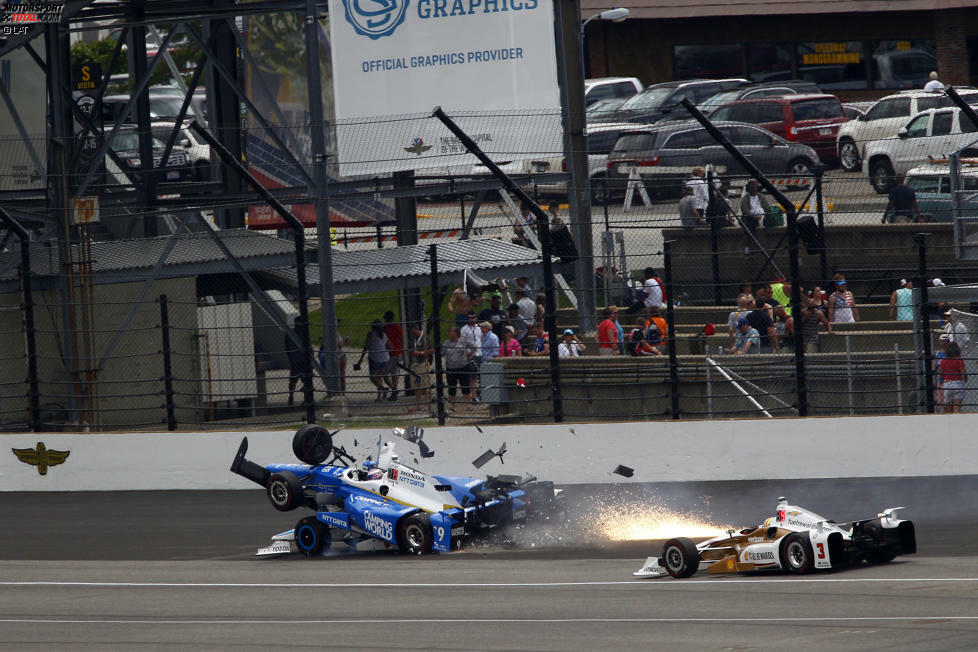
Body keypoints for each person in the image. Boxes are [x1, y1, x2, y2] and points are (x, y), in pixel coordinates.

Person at [354, 319, 393, 402]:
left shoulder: (371, 334)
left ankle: (383, 389)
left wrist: (360, 360)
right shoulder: (384, 335)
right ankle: (379, 396)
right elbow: (390, 347)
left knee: (372, 377)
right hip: (385, 358)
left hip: (374, 358)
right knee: (379, 377)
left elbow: (366, 346)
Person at [442, 326, 472, 409]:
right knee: (452, 387)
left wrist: (469, 353)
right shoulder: (446, 343)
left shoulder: (463, 342)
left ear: (456, 333)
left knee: (465, 385)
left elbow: (474, 347)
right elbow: (442, 352)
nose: (450, 334)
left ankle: (468, 404)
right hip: (451, 368)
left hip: (462, 366)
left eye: (452, 332)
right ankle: (452, 405)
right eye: (450, 332)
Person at [739, 180, 769, 256]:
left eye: (755, 188)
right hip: (751, 218)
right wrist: (754, 217)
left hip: (762, 216)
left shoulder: (761, 196)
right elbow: (745, 211)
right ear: (749, 189)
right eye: (752, 189)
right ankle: (748, 250)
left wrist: (763, 214)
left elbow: (766, 207)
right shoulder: (746, 198)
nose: (754, 190)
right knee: (748, 230)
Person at [940, 341, 967, 413]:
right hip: (957, 382)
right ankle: (956, 419)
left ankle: (949, 421)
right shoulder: (958, 359)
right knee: (956, 406)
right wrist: (965, 379)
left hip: (947, 383)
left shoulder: (943, 360)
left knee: (948, 406)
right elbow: (963, 372)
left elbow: (941, 374)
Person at [382, 310, 404, 401]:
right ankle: (394, 390)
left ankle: (394, 390)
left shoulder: (385, 329)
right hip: (397, 352)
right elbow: (402, 338)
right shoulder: (398, 327)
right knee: (394, 373)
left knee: (385, 374)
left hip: (390, 354)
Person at [285, 332, 304, 406]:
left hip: (295, 359)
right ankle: (306, 398)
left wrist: (290, 358)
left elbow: (287, 348)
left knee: (293, 380)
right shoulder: (303, 333)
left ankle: (291, 395)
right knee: (305, 379)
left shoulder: (289, 334)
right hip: (302, 360)